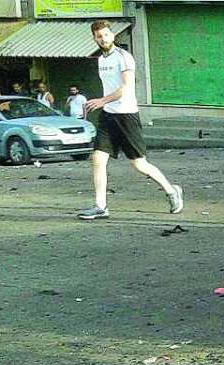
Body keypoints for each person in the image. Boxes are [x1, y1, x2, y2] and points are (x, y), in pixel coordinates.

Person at [78, 20, 183, 220]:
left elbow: (126, 87)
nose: (103, 39)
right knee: (98, 159)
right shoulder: (101, 60)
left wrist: (101, 100)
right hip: (108, 116)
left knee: (139, 164)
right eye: (99, 36)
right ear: (94, 38)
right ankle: (101, 206)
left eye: (106, 35)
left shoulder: (124, 57)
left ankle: (171, 191)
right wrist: (104, 104)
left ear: (113, 35)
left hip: (126, 116)